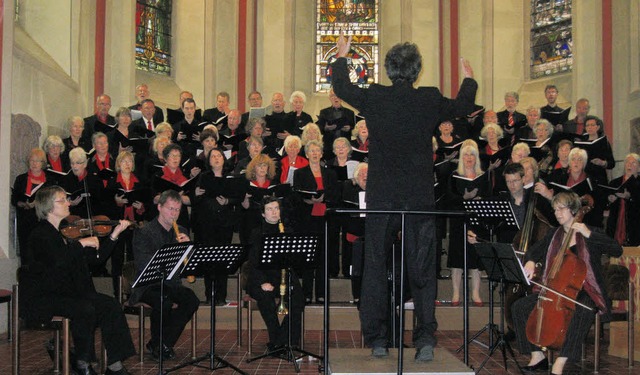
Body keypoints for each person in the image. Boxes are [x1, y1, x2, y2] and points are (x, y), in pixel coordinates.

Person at [331, 35, 477, 361]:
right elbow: (463, 106)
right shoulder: (428, 98)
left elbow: (343, 89)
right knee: (423, 267)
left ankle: (378, 339)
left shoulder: (377, 97)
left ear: (389, 68)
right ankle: (425, 338)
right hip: (418, 195)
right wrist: (468, 80)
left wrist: (342, 57)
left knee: (374, 266)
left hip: (382, 194)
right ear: (417, 71)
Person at [21, 185, 135, 375]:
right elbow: (58, 261)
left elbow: (95, 260)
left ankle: (115, 365)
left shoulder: (65, 234)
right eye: (62, 200)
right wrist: (82, 243)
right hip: (47, 296)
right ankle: (83, 362)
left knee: (111, 305)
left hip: (71, 293)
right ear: (49, 207)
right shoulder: (40, 234)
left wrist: (114, 236)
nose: (68, 202)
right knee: (85, 308)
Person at [512, 191, 622, 375]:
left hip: (587, 288)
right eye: (555, 210)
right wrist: (530, 261)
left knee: (584, 309)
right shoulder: (554, 234)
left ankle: (561, 362)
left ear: (573, 210)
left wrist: (588, 233)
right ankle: (537, 355)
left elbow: (617, 250)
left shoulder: (590, 231)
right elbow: (533, 251)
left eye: (561, 209)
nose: (557, 213)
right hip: (557, 289)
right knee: (519, 307)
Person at [130, 190, 200, 361]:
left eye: (177, 210)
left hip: (172, 284)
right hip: (148, 284)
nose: (174, 214)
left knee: (191, 300)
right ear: (159, 207)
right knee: (163, 300)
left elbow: (189, 267)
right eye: (170, 209)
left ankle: (161, 343)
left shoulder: (181, 231)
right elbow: (143, 264)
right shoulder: (144, 232)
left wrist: (188, 250)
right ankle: (160, 345)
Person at [245, 196, 305, 350]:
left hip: (283, 277)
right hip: (261, 278)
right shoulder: (256, 233)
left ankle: (286, 339)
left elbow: (295, 260)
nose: (274, 212)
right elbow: (252, 263)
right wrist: (262, 282)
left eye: (276, 208)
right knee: (265, 298)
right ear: (263, 214)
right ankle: (275, 337)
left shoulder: (288, 231)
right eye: (269, 209)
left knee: (298, 298)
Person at [293, 140, 339, 303]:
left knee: (323, 258)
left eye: (317, 151)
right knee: (308, 257)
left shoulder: (330, 173)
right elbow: (296, 197)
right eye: (311, 151)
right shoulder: (299, 173)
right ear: (306, 154)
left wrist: (324, 198)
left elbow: (335, 195)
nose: (314, 153)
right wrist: (308, 201)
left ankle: (321, 294)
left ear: (321, 154)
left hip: (325, 219)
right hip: (307, 219)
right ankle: (306, 293)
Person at [11, 148, 50, 262]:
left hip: (41, 221)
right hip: (25, 221)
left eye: (38, 161)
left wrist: (36, 204)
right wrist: (23, 204)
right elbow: (14, 200)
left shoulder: (49, 180)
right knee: (26, 252)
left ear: (43, 163)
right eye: (32, 160)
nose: (34, 163)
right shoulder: (21, 179)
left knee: (41, 253)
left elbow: (50, 201)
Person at [606, 153, 640, 246]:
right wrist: (610, 200)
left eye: (633, 163)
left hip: (635, 226)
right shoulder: (615, 182)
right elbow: (606, 203)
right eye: (627, 163)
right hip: (615, 225)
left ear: (639, 168)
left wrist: (629, 197)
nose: (629, 165)